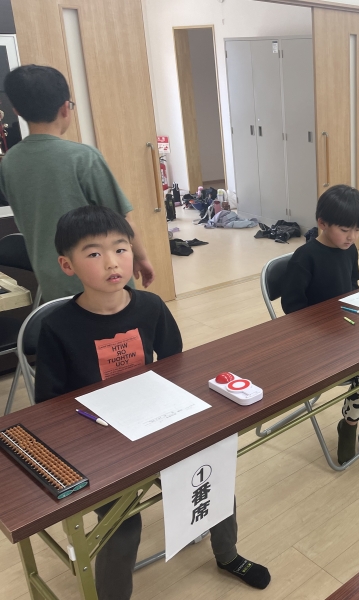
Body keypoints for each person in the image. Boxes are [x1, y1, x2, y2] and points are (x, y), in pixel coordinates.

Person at [35, 206, 269, 599]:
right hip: (98, 441)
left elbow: (177, 365)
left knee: (213, 476)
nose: (112, 262)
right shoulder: (57, 327)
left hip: (155, 424)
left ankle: (227, 555)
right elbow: (48, 407)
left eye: (120, 249)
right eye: (94, 253)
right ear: (67, 265)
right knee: (123, 526)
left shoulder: (150, 307)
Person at [0, 65, 155, 302]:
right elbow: (122, 220)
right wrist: (141, 258)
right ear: (65, 107)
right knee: (117, 325)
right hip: (101, 280)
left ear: (17, 111)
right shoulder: (82, 157)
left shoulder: (9, 162)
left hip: (51, 283)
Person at [281, 185, 359, 465]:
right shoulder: (305, 257)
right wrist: (325, 323)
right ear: (322, 223)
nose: (352, 237)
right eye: (344, 229)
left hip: (349, 330)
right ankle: (349, 425)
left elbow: (353, 286)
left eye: (358, 230)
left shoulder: (350, 251)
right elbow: (292, 309)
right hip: (318, 341)